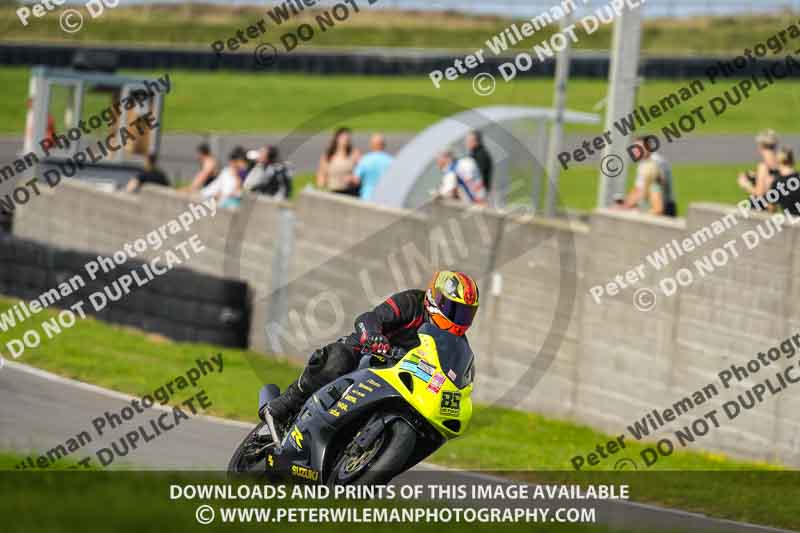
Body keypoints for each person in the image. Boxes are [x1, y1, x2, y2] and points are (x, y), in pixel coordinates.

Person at [264, 270, 480, 432]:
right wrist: (374, 335)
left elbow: (454, 377)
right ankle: (287, 403)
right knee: (336, 361)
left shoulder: (457, 343)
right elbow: (370, 318)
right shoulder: (412, 302)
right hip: (370, 355)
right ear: (436, 298)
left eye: (465, 314)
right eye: (453, 309)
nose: (458, 319)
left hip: (402, 381)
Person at [623, 136, 676, 216]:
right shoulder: (643, 162)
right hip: (650, 208)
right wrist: (625, 205)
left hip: (664, 209)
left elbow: (655, 189)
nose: (635, 151)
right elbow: (638, 188)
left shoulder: (655, 164)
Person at [737, 129, 781, 209]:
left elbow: (760, 194)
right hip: (772, 209)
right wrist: (756, 177)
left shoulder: (763, 166)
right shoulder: (779, 163)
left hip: (759, 210)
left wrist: (745, 185)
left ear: (761, 146)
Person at [316, 127, 361, 196]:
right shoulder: (328, 155)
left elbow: (361, 173)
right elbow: (321, 174)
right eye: (343, 138)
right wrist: (321, 187)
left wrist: (352, 178)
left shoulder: (354, 154)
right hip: (333, 191)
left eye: (348, 139)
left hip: (350, 191)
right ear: (337, 139)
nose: (346, 141)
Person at [353, 133, 393, 202]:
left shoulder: (365, 160)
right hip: (385, 198)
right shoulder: (391, 161)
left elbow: (356, 180)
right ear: (384, 145)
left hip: (367, 197)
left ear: (372, 145)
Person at [767, 148, 800, 215]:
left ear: (778, 161)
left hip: (789, 222)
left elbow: (771, 209)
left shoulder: (776, 183)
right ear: (792, 160)